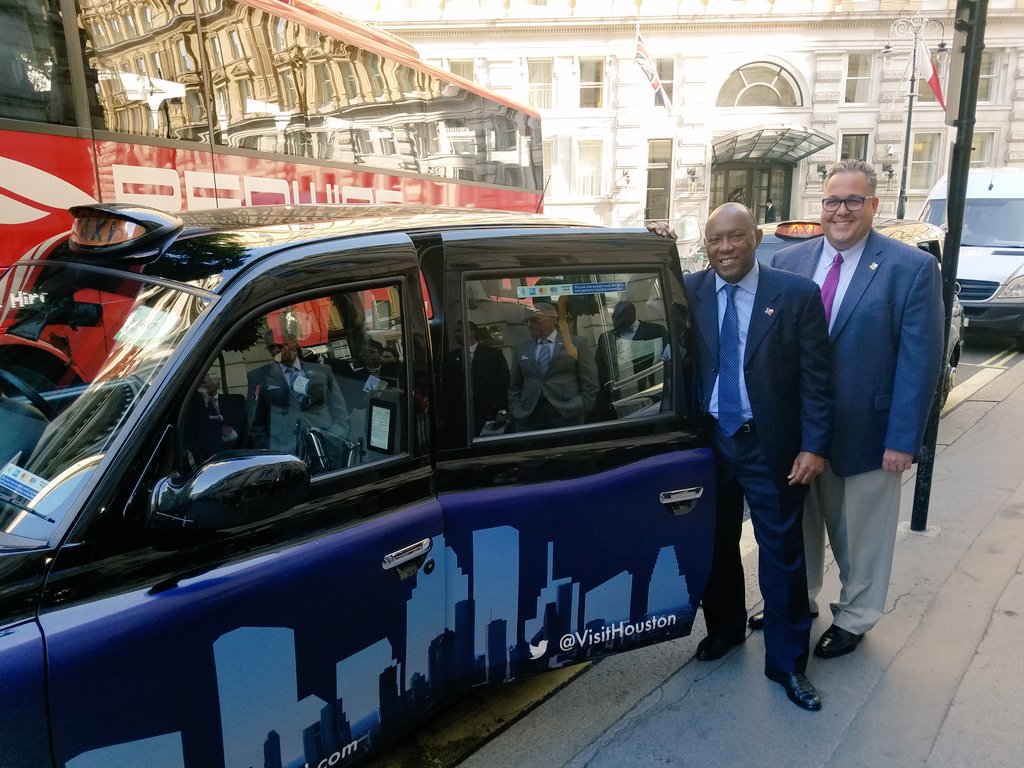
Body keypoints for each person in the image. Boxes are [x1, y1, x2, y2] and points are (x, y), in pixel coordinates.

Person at [762, 159, 944, 659]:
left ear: (873, 206)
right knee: (799, 526)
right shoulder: (789, 261)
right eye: (832, 201)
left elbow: (920, 361)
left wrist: (903, 440)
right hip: (796, 433)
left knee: (861, 536)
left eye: (853, 201)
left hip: (867, 433)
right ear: (820, 205)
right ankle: (799, 599)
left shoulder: (911, 268)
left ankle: (856, 615)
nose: (840, 211)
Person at [682, 202, 832, 711]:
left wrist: (813, 446)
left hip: (771, 445)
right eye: (715, 240)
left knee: (782, 554)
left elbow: (816, 379)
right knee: (715, 543)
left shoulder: (796, 295)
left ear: (756, 238)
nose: (725, 248)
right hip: (710, 443)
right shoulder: (689, 290)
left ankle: (787, 663)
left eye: (735, 237)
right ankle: (725, 629)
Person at [247, 329, 350, 473]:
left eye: (281, 345)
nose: (276, 350)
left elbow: (339, 410)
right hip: (285, 452)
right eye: (271, 347)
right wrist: (270, 453)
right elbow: (254, 421)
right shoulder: (260, 376)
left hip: (325, 445)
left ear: (294, 343)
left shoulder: (322, 371)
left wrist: (337, 437)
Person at [507, 300, 599, 432]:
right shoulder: (522, 349)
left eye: (534, 320)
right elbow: (515, 385)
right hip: (530, 416)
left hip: (567, 414)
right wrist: (517, 410)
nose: (529, 325)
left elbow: (590, 381)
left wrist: (582, 405)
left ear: (553, 319)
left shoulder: (576, 344)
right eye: (526, 321)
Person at [595, 301, 669, 418]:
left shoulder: (656, 331)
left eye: (619, 317)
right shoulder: (606, 338)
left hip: (654, 397)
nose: (614, 322)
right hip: (618, 402)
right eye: (613, 317)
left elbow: (668, 363)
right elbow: (601, 370)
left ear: (631, 315)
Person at [443, 320, 510, 436]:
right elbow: (447, 388)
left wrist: (503, 410)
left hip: (488, 412)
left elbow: (503, 383)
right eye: (455, 331)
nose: (456, 334)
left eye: (459, 331)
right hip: (460, 416)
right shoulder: (450, 358)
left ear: (471, 332)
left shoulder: (493, 354)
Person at [183, 371, 247, 464]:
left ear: (217, 384)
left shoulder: (235, 400)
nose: (200, 386)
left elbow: (242, 426)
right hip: (207, 457)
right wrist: (203, 402)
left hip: (236, 453)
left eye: (203, 382)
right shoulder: (193, 407)